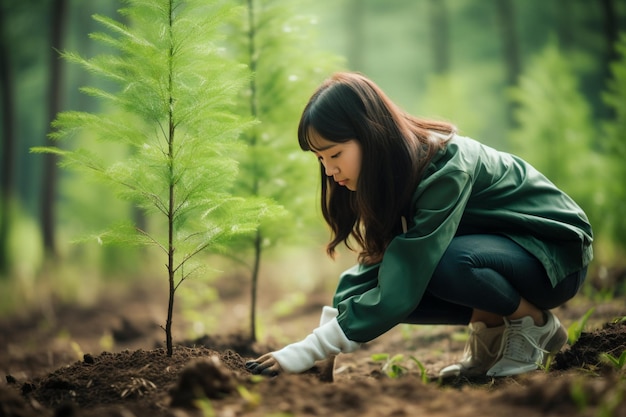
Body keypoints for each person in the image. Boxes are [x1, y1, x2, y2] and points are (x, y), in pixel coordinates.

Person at [245, 72, 593, 379]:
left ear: (370, 134)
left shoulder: (445, 168)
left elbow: (414, 268)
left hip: (554, 257)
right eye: (321, 159)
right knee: (390, 275)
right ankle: (492, 330)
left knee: (440, 265)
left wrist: (305, 350)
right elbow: (384, 269)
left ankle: (533, 323)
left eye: (335, 154)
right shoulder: (392, 176)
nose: (329, 171)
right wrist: (323, 354)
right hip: (498, 251)